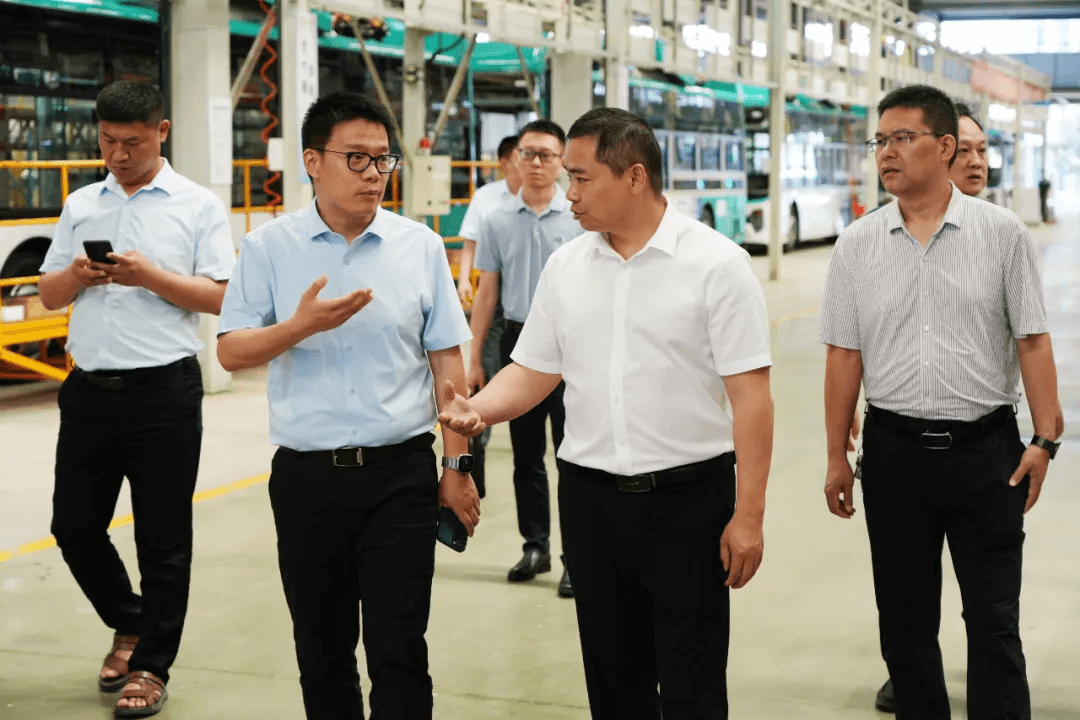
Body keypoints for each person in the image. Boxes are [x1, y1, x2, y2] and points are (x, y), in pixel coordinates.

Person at [440, 107, 774, 718]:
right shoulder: (567, 266)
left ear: (634, 177)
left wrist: (748, 514)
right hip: (591, 503)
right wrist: (477, 411)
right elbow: (534, 368)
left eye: (581, 177)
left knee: (692, 681)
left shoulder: (717, 264)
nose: (568, 193)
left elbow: (752, 396)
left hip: (687, 504)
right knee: (613, 681)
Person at [216, 92, 479, 720]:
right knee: (322, 651)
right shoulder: (268, 247)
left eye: (383, 160)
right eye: (356, 159)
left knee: (400, 651)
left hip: (400, 476)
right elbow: (230, 350)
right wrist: (297, 326)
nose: (374, 174)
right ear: (312, 160)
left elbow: (448, 362)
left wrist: (456, 467)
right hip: (307, 481)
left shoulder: (418, 246)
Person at [822, 85, 1062, 720]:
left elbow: (1032, 340)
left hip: (987, 454)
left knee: (993, 621)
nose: (887, 153)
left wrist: (1044, 439)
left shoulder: (1001, 234)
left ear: (945, 146)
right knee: (904, 624)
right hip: (894, 455)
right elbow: (843, 355)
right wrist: (836, 455)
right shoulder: (857, 244)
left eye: (903, 139)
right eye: (880, 141)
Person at [37, 80, 236, 717]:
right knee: (73, 527)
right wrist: (78, 273)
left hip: (164, 395)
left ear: (161, 131)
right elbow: (48, 294)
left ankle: (150, 665)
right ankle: (131, 620)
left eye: (131, 142)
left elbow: (222, 296)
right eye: (107, 142)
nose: (118, 155)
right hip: (88, 392)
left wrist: (149, 276)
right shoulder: (81, 204)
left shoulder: (197, 206)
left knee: (163, 539)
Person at [467, 119, 582, 597]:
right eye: (527, 153)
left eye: (546, 155)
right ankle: (535, 546)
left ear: (561, 163)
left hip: (572, 345)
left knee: (572, 456)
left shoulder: (579, 217)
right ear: (515, 159)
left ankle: (576, 559)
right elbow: (487, 294)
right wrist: (475, 357)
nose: (535, 163)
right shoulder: (496, 221)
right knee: (526, 454)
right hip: (518, 342)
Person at [456, 134, 522, 498]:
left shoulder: (547, 200)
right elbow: (470, 244)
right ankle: (473, 470)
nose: (529, 162)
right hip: (494, 301)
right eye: (522, 155)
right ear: (505, 162)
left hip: (526, 302)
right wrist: (465, 279)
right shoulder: (487, 198)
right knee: (485, 383)